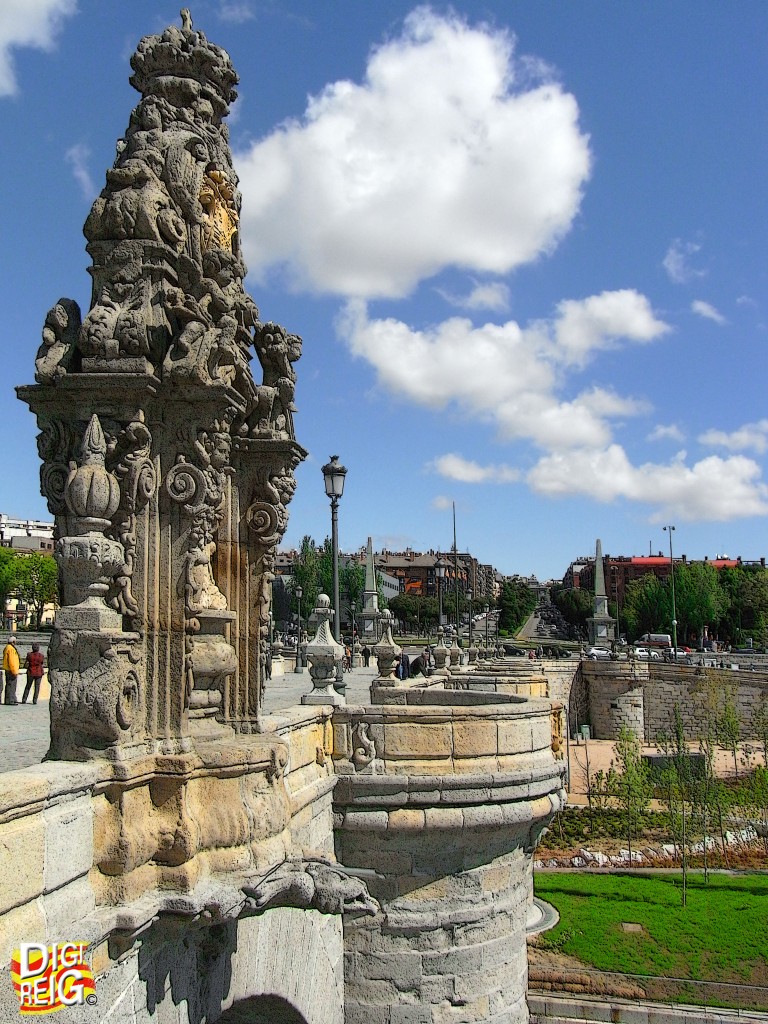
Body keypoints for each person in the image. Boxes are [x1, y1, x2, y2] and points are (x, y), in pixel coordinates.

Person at [3, 637, 19, 705]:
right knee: (12, 686)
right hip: (11, 670)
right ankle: (10, 700)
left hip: (7, 669)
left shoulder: (6, 647)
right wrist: (14, 671)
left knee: (9, 685)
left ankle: (9, 699)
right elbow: (12, 661)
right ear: (13, 642)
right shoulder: (11, 649)